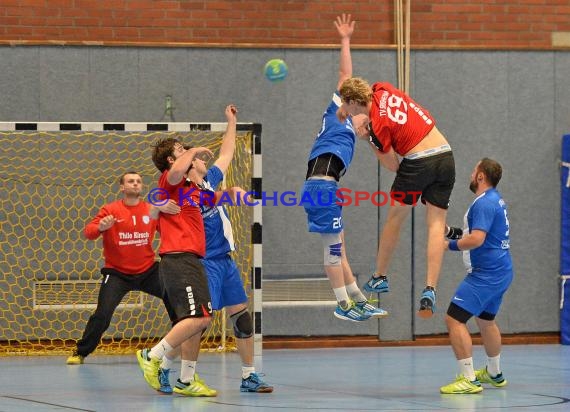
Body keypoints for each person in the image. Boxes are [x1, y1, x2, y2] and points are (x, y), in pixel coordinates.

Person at [164, 104, 273, 394]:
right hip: (204, 263)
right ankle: (175, 373)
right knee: (197, 322)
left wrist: (231, 121)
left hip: (225, 260)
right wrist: (228, 196)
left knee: (242, 317)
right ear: (185, 165)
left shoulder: (209, 181)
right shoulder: (183, 192)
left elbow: (227, 153)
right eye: (192, 156)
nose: (201, 158)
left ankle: (249, 375)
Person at [338, 75, 455, 318]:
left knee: (394, 219)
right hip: (445, 155)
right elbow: (371, 103)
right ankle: (430, 288)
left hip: (418, 162)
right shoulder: (382, 88)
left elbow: (393, 164)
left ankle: (379, 276)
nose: (345, 110)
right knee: (436, 225)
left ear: (353, 102)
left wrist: (368, 137)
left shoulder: (377, 127)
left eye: (345, 104)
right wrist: (349, 111)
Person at [300, 14, 387, 322]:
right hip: (320, 186)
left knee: (340, 249)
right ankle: (342, 304)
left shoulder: (355, 131)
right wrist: (346, 40)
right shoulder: (339, 113)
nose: (368, 119)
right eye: (365, 113)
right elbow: (345, 74)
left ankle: (359, 301)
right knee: (333, 251)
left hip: (327, 187)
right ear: (351, 105)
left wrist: (371, 138)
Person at [66, 172, 179, 365]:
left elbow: (171, 230)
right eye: (130, 181)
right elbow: (89, 233)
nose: (135, 184)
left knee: (175, 296)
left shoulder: (151, 210)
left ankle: (180, 342)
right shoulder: (110, 210)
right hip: (117, 273)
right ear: (122, 187)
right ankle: (80, 352)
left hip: (148, 270)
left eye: (138, 182)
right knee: (103, 314)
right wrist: (101, 226)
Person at [136, 140, 215, 395]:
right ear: (171, 160)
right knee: (199, 317)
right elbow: (171, 180)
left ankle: (187, 380)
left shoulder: (189, 189)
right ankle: (152, 355)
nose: (187, 152)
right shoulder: (169, 181)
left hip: (191, 259)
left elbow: (209, 190)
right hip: (178, 259)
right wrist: (194, 151)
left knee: (198, 321)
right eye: (180, 150)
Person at [439, 158, 513, 394]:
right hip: (501, 271)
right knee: (486, 321)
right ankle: (494, 372)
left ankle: (468, 379)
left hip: (486, 275)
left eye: (474, 170)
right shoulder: (494, 200)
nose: (471, 174)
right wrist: (450, 232)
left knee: (454, 319)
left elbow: (477, 239)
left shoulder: (483, 204)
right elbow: (478, 233)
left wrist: (446, 245)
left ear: (481, 176)